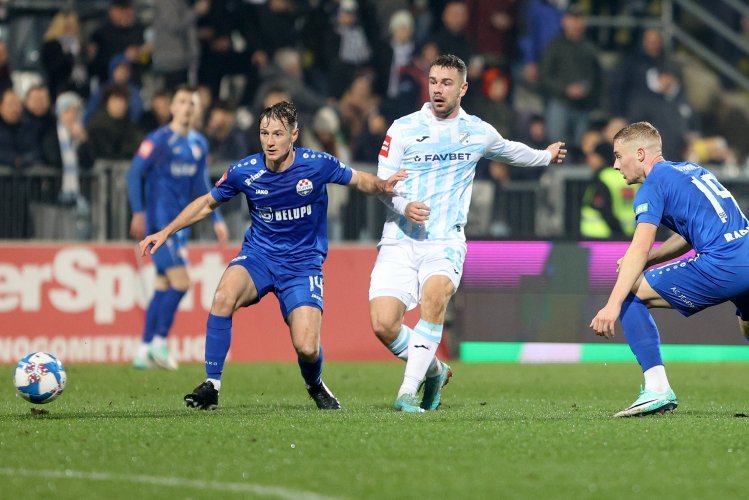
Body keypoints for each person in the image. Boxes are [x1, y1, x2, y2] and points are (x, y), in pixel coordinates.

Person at [138, 101, 406, 410]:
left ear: (294, 135)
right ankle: (212, 384)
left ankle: (315, 384)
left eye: (277, 134)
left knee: (306, 347)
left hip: (303, 265)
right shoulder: (244, 171)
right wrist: (166, 231)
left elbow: (359, 179)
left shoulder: (317, 165)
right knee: (223, 297)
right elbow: (206, 203)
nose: (269, 141)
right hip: (259, 257)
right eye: (264, 133)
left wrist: (383, 185)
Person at [369, 54, 566, 412]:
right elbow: (384, 184)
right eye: (433, 82)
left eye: (446, 83)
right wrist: (403, 207)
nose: (438, 90)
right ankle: (435, 369)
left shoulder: (477, 131)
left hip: (445, 240)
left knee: (434, 299)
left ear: (463, 88)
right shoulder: (402, 128)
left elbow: (509, 151)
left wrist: (545, 156)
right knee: (383, 324)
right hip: (399, 239)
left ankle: (406, 393)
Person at [589, 122, 749, 417]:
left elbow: (638, 247)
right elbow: (690, 234)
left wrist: (611, 305)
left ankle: (657, 388)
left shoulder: (652, 186)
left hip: (723, 262)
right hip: (744, 248)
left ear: (639, 154)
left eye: (618, 156)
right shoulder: (689, 170)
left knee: (630, 292)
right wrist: (653, 259)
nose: (615, 165)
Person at [128, 85, 229, 370]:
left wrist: (216, 219)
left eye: (192, 103)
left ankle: (144, 350)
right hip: (159, 224)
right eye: (182, 101)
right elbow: (134, 173)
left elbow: (201, 186)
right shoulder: (157, 140)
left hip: (180, 227)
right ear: (172, 107)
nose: (187, 107)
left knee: (162, 286)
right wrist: (138, 211)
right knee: (182, 282)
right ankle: (159, 342)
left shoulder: (199, 144)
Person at [580, 140, 637, 239]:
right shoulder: (628, 175)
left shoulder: (603, 177)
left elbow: (604, 209)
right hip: (631, 233)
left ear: (601, 157)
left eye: (593, 155)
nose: (589, 159)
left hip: (600, 236)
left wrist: (618, 233)